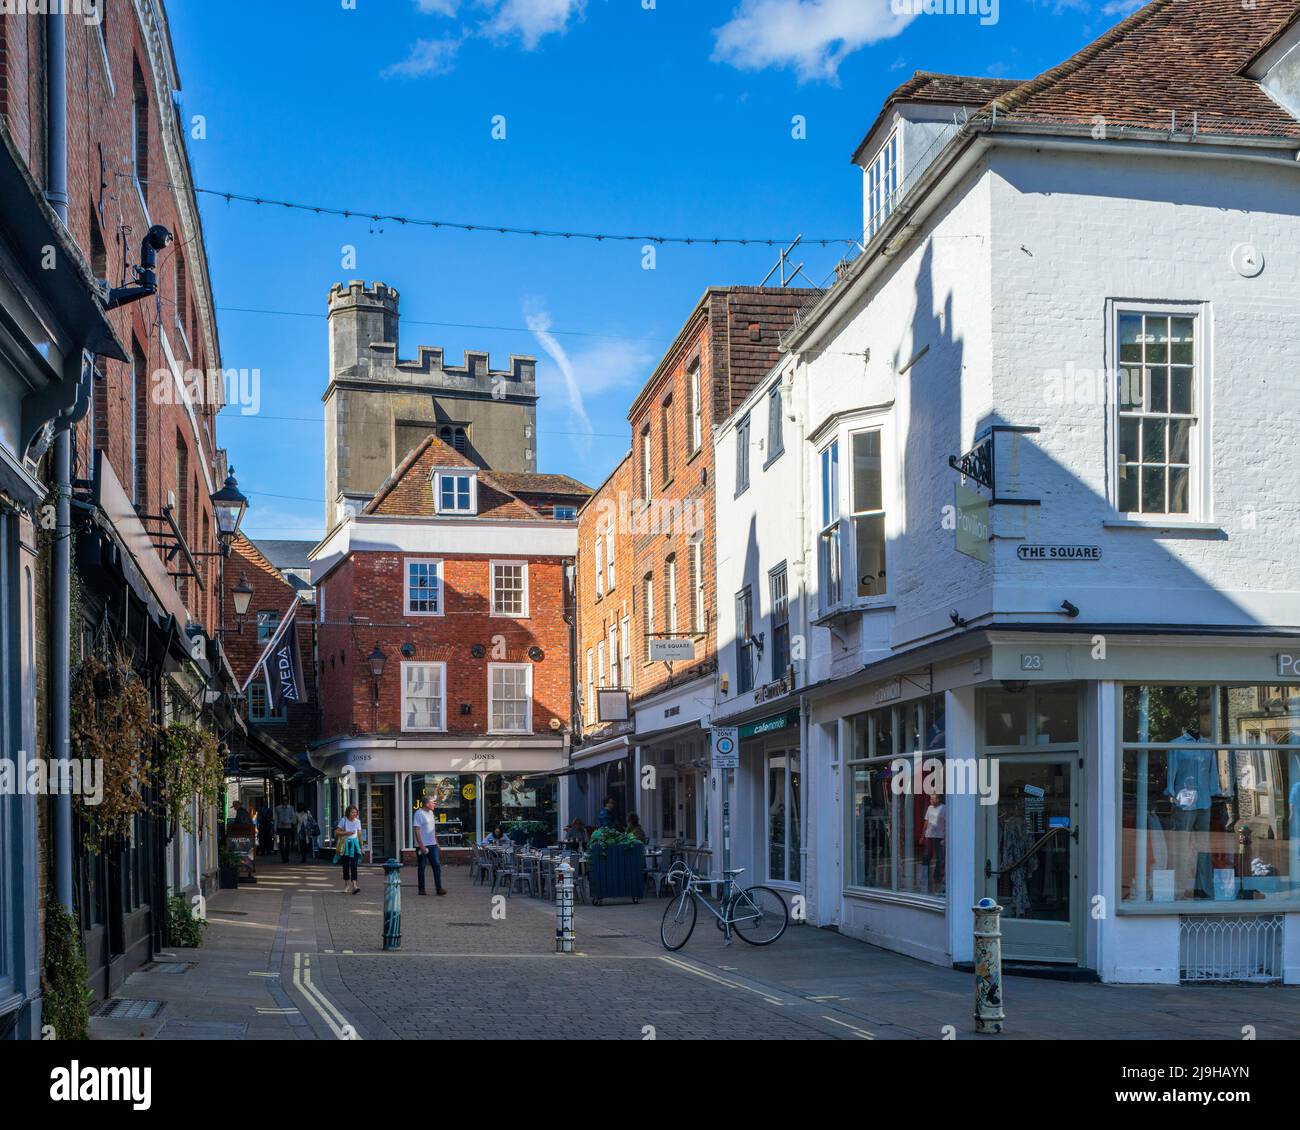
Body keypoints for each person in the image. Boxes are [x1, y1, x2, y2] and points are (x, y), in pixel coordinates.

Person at [413, 794, 446, 896]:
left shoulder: (431, 812)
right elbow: (417, 830)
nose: (434, 804)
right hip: (422, 845)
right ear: (427, 803)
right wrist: (421, 846)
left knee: (436, 865)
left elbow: (432, 829)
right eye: (433, 802)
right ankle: (421, 889)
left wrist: (436, 842)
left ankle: (439, 888)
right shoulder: (419, 813)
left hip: (432, 844)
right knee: (421, 867)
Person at [334, 805, 365, 894]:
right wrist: (346, 832)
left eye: (355, 812)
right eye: (352, 812)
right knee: (346, 865)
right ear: (348, 812)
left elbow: (359, 834)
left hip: (355, 845)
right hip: (345, 845)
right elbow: (337, 832)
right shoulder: (343, 820)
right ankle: (346, 885)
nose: (354, 814)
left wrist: (362, 846)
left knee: (354, 866)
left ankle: (355, 886)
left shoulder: (357, 822)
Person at [275, 797, 297, 863]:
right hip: (280, 828)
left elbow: (293, 819)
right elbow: (276, 818)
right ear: (282, 801)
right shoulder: (278, 808)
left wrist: (288, 822)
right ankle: (283, 857)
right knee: (281, 843)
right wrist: (275, 828)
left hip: (288, 828)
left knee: (288, 843)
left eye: (286, 800)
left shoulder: (291, 808)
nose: (285, 802)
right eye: (284, 800)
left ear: (288, 801)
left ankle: (286, 857)